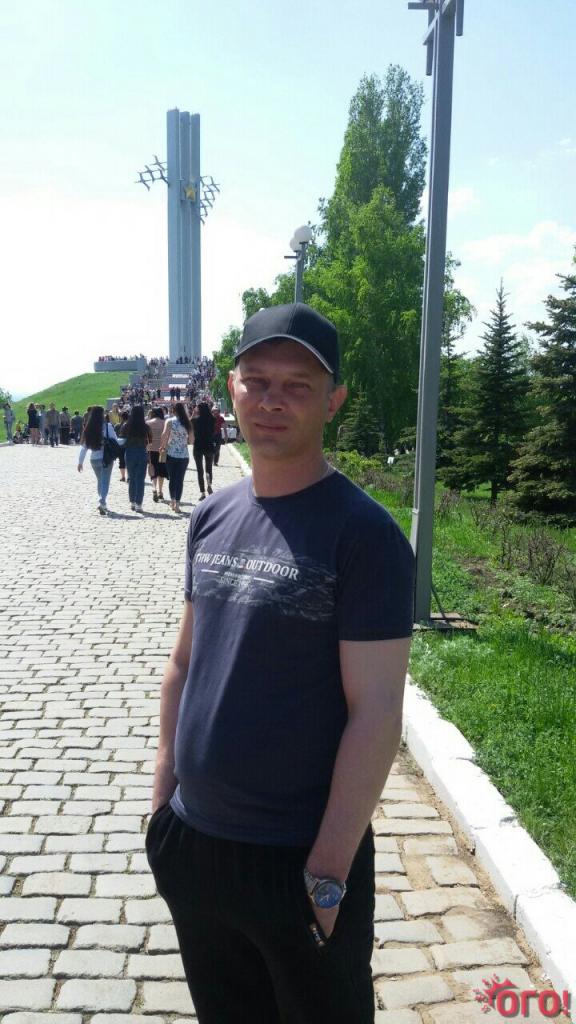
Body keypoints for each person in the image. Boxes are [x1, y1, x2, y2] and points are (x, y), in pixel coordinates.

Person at [146, 303, 415, 1024]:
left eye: (297, 386)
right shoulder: (212, 516)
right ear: (230, 389)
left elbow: (376, 712)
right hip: (195, 844)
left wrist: (326, 878)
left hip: (295, 860)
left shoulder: (363, 536)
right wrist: (162, 808)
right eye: (257, 380)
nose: (271, 400)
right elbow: (184, 663)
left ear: (333, 402)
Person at [77, 405, 123, 515]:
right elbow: (115, 441)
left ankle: (103, 503)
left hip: (94, 459)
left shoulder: (88, 428)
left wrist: (80, 462)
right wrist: (125, 440)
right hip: (106, 457)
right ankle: (102, 501)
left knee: (100, 481)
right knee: (105, 481)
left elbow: (83, 448)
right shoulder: (107, 426)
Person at [160, 401, 191, 514]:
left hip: (171, 453)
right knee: (180, 480)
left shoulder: (169, 421)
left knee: (172, 479)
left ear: (173, 410)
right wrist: (184, 440)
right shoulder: (187, 422)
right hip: (184, 455)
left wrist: (162, 447)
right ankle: (177, 504)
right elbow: (192, 440)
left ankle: (172, 501)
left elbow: (164, 435)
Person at [119, 405, 152, 514]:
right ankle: (139, 504)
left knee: (131, 478)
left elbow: (121, 439)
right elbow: (150, 441)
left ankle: (132, 501)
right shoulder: (145, 426)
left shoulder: (126, 426)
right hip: (142, 452)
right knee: (140, 479)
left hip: (129, 452)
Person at [191, 401, 215, 500]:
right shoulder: (212, 419)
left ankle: (202, 492)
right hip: (209, 445)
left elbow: (190, 422)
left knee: (199, 470)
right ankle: (209, 484)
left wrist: (193, 413)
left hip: (198, 446)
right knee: (209, 468)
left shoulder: (195, 420)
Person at [146, 407, 168, 503]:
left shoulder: (148, 423)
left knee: (153, 469)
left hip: (151, 450)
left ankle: (154, 488)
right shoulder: (165, 423)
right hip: (162, 450)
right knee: (161, 470)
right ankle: (160, 491)